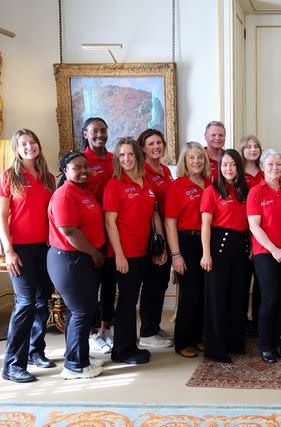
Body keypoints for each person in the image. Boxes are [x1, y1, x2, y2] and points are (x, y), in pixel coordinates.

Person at [0, 129, 56, 383]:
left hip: (45, 247)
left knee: (42, 301)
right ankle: (11, 365)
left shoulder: (49, 178)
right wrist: (9, 251)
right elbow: (1, 219)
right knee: (25, 304)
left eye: (33, 142)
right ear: (16, 149)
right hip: (19, 250)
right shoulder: (8, 178)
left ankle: (35, 351)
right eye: (24, 144)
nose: (30, 146)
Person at [103, 137, 167, 364]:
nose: (126, 159)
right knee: (127, 302)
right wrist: (119, 254)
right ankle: (122, 351)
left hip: (144, 251)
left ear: (138, 156)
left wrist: (161, 245)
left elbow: (153, 214)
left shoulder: (146, 182)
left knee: (135, 301)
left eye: (130, 154)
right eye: (121, 155)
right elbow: (110, 223)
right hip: (125, 253)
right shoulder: (114, 185)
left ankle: (132, 345)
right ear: (117, 159)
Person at [47, 151, 105, 379]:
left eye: (85, 167)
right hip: (69, 259)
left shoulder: (83, 191)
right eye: (76, 168)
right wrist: (95, 253)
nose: (82, 171)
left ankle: (78, 356)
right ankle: (74, 365)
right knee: (81, 311)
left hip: (82, 259)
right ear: (65, 171)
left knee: (78, 311)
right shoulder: (64, 195)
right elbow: (68, 230)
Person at [247, 149, 281, 364]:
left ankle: (277, 341)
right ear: (262, 167)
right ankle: (265, 345)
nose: (275, 168)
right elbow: (254, 226)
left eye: (278, 164)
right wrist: (274, 250)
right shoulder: (256, 192)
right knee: (269, 300)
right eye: (270, 165)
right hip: (265, 254)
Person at [200, 149, 250, 362]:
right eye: (224, 165)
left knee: (238, 296)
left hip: (241, 246)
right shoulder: (212, 191)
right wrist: (206, 254)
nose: (228, 168)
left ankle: (235, 342)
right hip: (219, 246)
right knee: (217, 298)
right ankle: (216, 348)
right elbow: (205, 225)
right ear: (219, 168)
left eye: (232, 164)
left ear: (239, 166)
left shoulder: (245, 191)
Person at [165, 142, 211, 358]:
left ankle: (199, 336)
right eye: (191, 158)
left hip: (207, 242)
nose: (196, 162)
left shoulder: (210, 183)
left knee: (205, 293)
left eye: (200, 157)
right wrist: (176, 254)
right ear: (184, 161)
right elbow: (170, 223)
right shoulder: (177, 186)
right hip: (187, 242)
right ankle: (183, 340)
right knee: (190, 294)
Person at [81, 117, 115, 354]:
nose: (100, 135)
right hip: (90, 232)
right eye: (94, 131)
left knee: (110, 281)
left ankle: (106, 327)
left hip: (113, 229)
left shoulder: (115, 159)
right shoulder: (81, 162)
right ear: (85, 134)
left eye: (103, 130)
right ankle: (92, 332)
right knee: (91, 284)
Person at [137, 129, 174, 349]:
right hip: (154, 235)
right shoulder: (143, 171)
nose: (156, 147)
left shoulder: (166, 170)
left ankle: (154, 326)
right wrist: (159, 240)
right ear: (142, 148)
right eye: (151, 143)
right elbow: (151, 208)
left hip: (167, 232)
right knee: (152, 283)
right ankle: (147, 332)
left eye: (159, 142)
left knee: (160, 282)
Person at [239, 135, 263, 342]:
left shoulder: (266, 171)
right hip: (243, 232)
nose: (253, 149)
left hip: (264, 234)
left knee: (262, 282)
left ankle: (258, 321)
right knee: (243, 280)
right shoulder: (238, 174)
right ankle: (241, 322)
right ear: (242, 150)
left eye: (256, 146)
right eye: (248, 146)